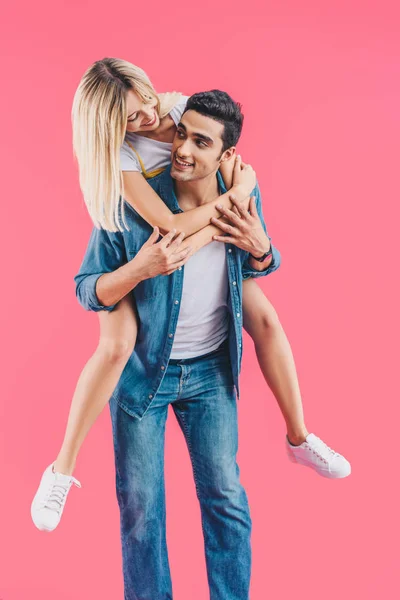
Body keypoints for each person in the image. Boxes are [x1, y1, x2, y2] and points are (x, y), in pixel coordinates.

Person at [31, 59, 351, 535]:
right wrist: (237, 195)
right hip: (151, 251)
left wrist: (249, 196)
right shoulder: (122, 159)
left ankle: (299, 437)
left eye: (144, 100)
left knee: (264, 318)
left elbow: (253, 234)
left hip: (204, 298)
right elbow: (171, 229)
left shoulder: (181, 107)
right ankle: (60, 469)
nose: (148, 118)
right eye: (128, 116)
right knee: (117, 346)